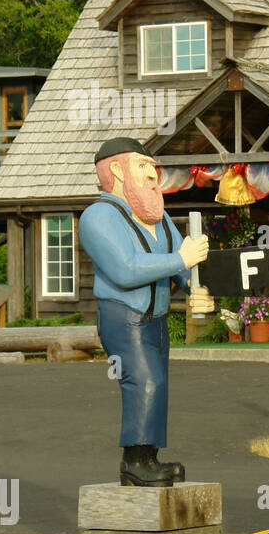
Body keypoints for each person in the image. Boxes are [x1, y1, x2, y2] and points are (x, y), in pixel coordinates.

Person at [79, 137, 214, 486]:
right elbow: (126, 269)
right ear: (115, 170)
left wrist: (194, 287)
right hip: (124, 318)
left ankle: (149, 457)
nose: (153, 175)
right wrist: (182, 259)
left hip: (157, 321)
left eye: (153, 167)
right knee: (144, 381)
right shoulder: (99, 216)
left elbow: (180, 265)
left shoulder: (160, 217)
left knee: (159, 385)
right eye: (142, 165)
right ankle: (132, 462)